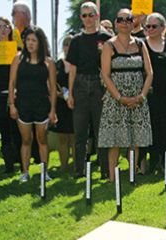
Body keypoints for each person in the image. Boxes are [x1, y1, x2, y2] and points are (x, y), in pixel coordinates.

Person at [97, 8, 153, 181]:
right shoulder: (109, 45)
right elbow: (105, 75)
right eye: (120, 19)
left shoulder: (140, 44)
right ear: (115, 23)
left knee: (135, 138)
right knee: (114, 140)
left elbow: (149, 72)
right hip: (115, 98)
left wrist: (141, 96)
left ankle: (131, 174)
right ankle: (113, 177)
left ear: (132, 22)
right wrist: (120, 97)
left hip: (138, 98)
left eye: (128, 19)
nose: (124, 23)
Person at [66, 1, 110, 178]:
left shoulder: (106, 38)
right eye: (84, 15)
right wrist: (70, 93)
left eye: (91, 14)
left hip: (101, 85)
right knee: (80, 132)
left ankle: (105, 170)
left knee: (102, 131)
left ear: (97, 16)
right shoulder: (76, 40)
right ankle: (79, 171)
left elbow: (110, 67)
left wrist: (109, 89)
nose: (88, 18)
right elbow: (73, 70)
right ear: (81, 18)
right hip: (81, 85)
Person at [9, 26, 58, 182]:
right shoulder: (18, 59)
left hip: (42, 105)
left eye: (34, 40)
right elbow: (11, 83)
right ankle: (25, 172)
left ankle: (45, 172)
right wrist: (12, 105)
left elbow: (52, 88)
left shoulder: (48, 62)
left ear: (40, 43)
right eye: (28, 40)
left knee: (42, 139)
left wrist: (52, 110)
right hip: (23, 104)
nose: (30, 43)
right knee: (26, 140)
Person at [144, 12, 166, 173]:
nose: (150, 29)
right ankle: (153, 160)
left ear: (163, 28)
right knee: (152, 127)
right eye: (147, 26)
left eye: (153, 26)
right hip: (149, 94)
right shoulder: (141, 45)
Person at [0, 17, 21, 174]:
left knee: (18, 132)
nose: (3, 29)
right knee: (5, 134)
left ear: (10, 29)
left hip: (16, 95)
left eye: (6, 26)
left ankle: (22, 164)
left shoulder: (19, 51)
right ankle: (9, 166)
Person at [52, 35, 75, 172]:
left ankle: (76, 166)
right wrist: (58, 94)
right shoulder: (58, 64)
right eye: (65, 45)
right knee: (62, 139)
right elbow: (51, 82)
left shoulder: (78, 65)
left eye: (70, 45)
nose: (68, 47)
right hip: (61, 105)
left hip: (76, 104)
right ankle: (64, 167)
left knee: (74, 138)